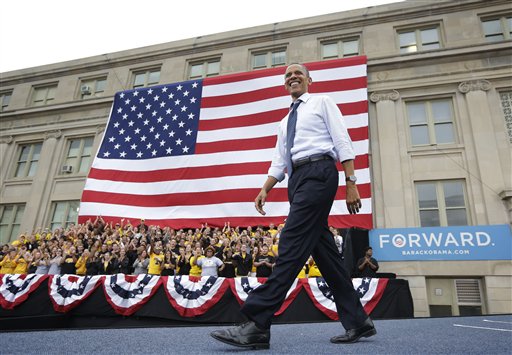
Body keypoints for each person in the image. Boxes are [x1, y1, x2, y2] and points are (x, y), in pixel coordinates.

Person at [211, 63, 374, 349]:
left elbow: (342, 140)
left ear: (309, 80)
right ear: (285, 85)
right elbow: (280, 161)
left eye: (298, 73)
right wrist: (265, 188)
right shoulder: (285, 121)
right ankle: (359, 321)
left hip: (319, 171)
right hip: (296, 179)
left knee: (290, 242)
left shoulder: (321, 102)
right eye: (288, 75)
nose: (293, 77)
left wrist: (351, 181)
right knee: (325, 256)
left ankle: (257, 323)